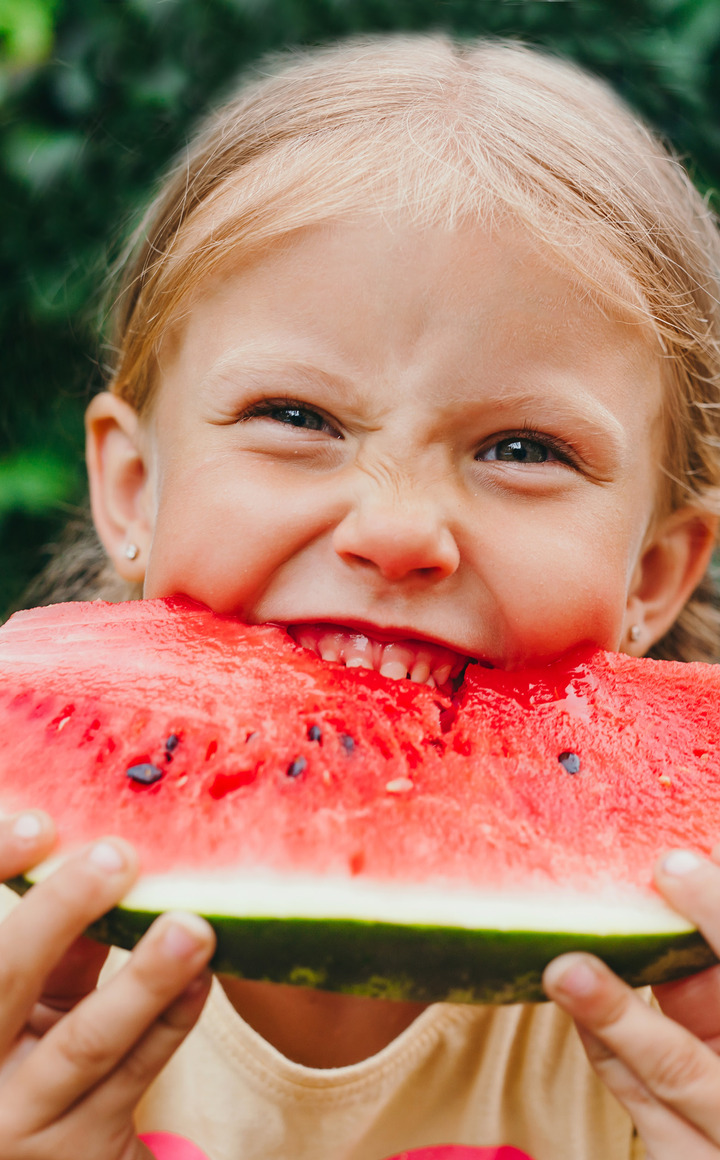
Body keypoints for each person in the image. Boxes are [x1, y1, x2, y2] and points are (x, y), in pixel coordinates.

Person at [2, 33, 720, 1160]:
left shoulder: (688, 1031)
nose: (396, 532)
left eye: (523, 448)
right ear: (133, 488)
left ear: (654, 573)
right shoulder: (20, 963)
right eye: (297, 418)